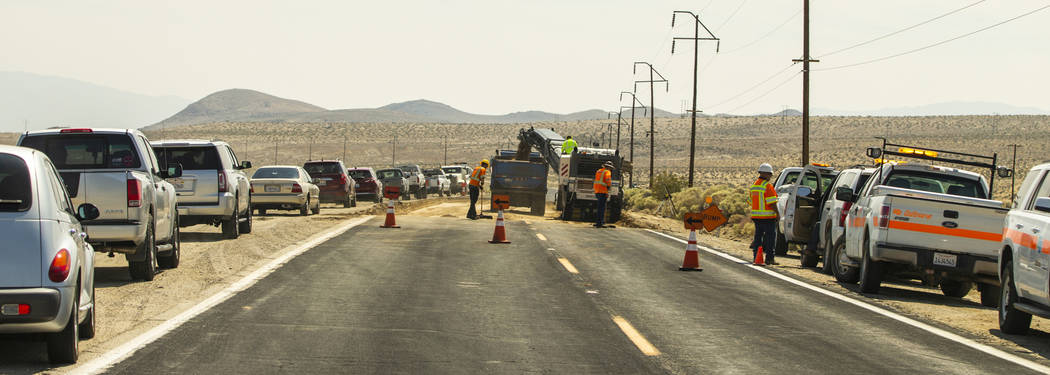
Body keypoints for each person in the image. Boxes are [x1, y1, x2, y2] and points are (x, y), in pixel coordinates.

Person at [749, 163, 780, 265]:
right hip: (768, 217)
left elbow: (750, 201)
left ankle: (756, 257)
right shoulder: (768, 186)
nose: (770, 177)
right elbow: (772, 203)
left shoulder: (754, 186)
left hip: (757, 217)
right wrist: (778, 214)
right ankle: (769, 258)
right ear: (767, 174)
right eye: (770, 174)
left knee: (758, 238)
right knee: (770, 238)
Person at [593, 160, 614, 228]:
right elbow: (608, 180)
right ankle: (600, 223)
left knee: (599, 207)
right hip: (603, 191)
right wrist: (609, 186)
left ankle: (598, 222)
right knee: (602, 208)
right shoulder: (607, 172)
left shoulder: (599, 171)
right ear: (609, 167)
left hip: (597, 191)